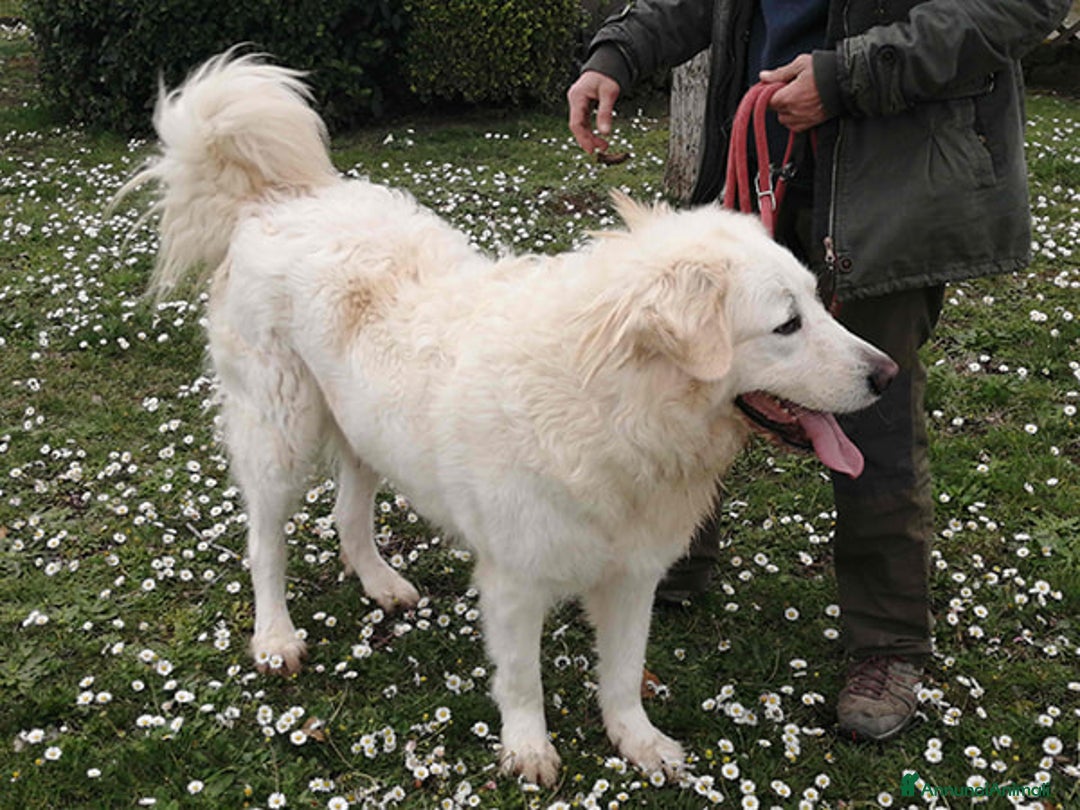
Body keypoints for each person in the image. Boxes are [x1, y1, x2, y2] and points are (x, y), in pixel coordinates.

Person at [567, 0, 1069, 742]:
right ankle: (669, 559)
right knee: (697, 376)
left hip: (889, 184)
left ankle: (888, 643)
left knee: (868, 407)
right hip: (760, 161)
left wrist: (851, 77)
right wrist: (616, 53)